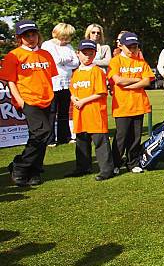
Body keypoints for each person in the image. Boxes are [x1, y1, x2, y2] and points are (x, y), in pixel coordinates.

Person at [2, 20, 58, 186]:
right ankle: (19, 166)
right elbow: (10, 81)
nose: (31, 38)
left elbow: (49, 77)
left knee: (42, 135)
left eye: (33, 34)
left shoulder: (46, 54)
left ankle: (34, 171)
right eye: (27, 35)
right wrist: (20, 101)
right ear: (19, 37)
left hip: (47, 98)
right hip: (28, 100)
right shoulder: (14, 55)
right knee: (42, 132)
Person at [66, 39, 114, 181]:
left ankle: (106, 169)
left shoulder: (97, 71)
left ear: (95, 54)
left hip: (94, 111)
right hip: (80, 112)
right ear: (78, 54)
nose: (87, 56)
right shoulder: (76, 72)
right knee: (82, 140)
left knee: (100, 142)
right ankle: (83, 167)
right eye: (84, 53)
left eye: (90, 53)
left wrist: (82, 101)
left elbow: (101, 92)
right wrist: (74, 98)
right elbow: (73, 90)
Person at [107, 32, 153, 174]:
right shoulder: (115, 61)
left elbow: (147, 81)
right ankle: (115, 163)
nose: (132, 49)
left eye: (135, 46)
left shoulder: (141, 62)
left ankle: (132, 163)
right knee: (121, 136)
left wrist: (131, 84)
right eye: (130, 47)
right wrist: (137, 80)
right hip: (122, 105)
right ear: (122, 46)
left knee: (135, 137)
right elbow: (118, 80)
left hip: (139, 104)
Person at [41, 23, 79, 146]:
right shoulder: (47, 45)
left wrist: (64, 61)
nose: (64, 41)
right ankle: (50, 138)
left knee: (64, 111)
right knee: (51, 112)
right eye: (62, 37)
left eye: (67, 38)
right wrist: (66, 60)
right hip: (52, 83)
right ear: (55, 34)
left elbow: (76, 62)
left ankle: (65, 136)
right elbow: (54, 60)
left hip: (66, 83)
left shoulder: (69, 47)